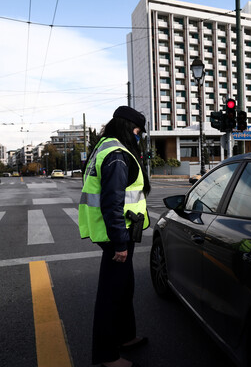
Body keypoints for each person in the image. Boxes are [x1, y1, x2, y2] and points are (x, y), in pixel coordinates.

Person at [78, 106, 151, 367]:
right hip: (115, 235)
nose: (139, 136)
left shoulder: (105, 146)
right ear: (127, 127)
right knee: (110, 294)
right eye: (137, 131)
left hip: (118, 232)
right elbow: (112, 203)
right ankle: (107, 355)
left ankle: (125, 336)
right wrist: (119, 243)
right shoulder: (117, 155)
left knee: (124, 285)